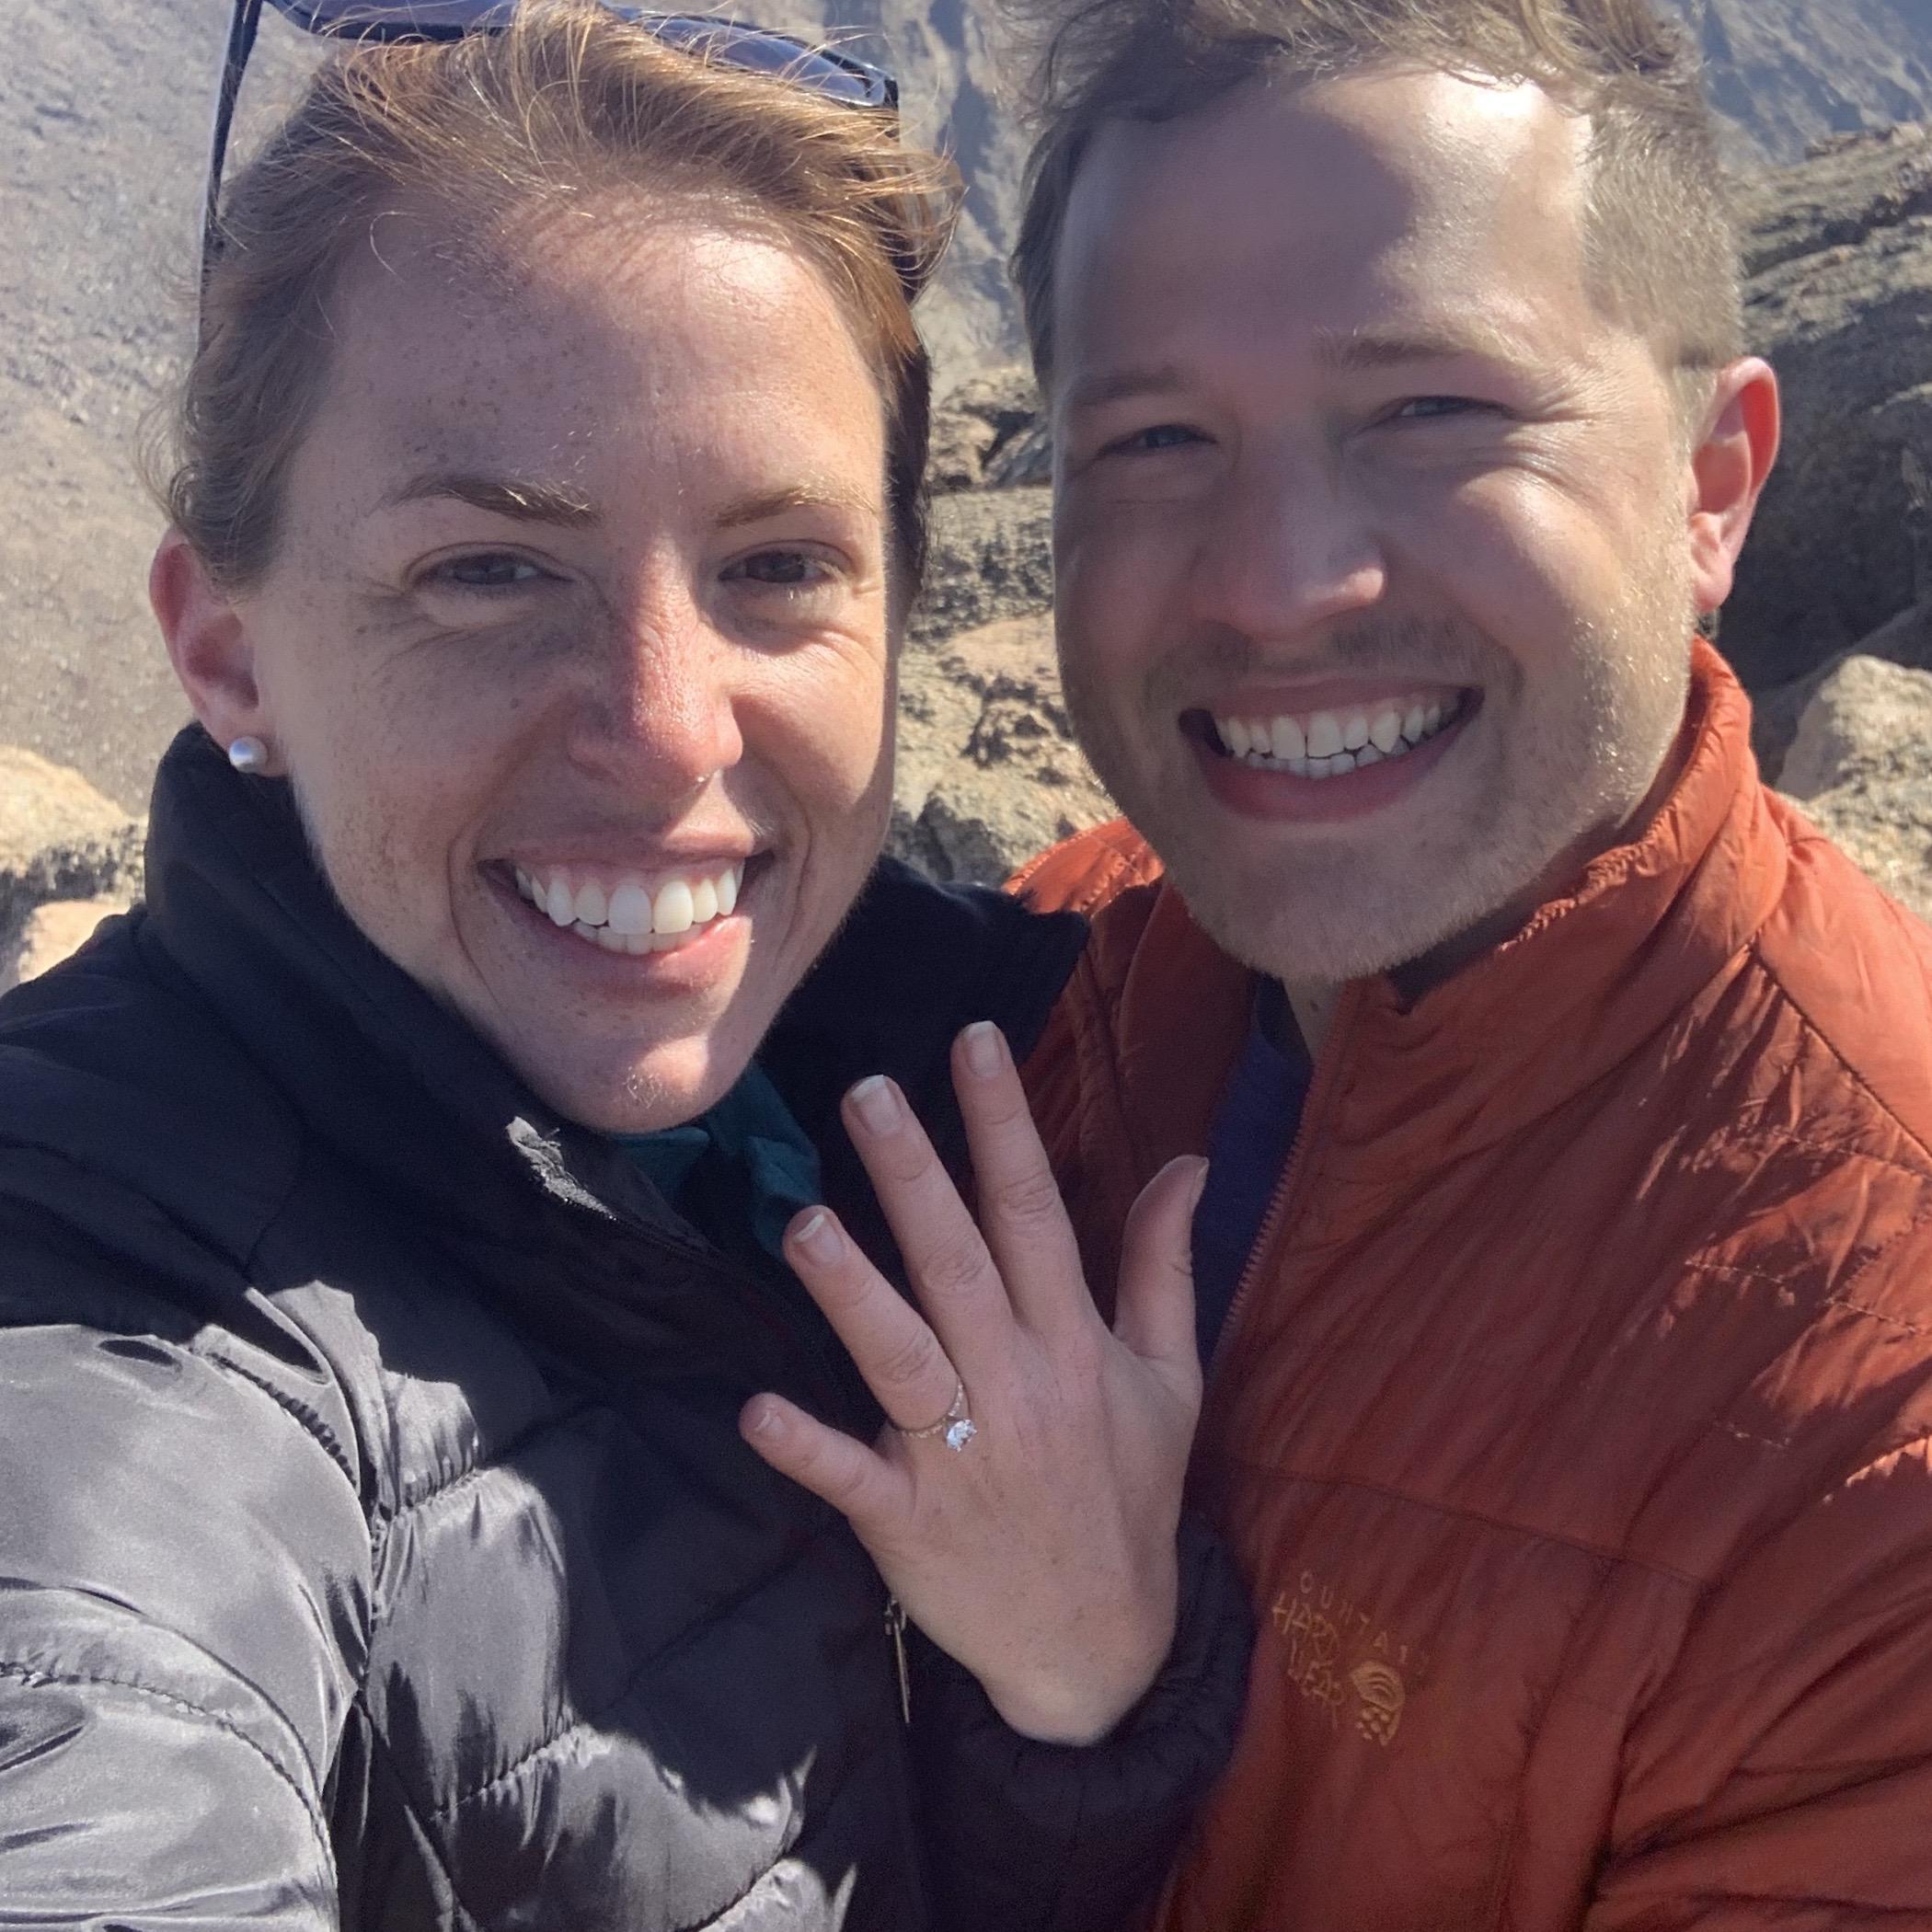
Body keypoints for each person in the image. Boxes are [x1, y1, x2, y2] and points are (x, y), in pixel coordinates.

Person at [0, 6, 1252, 1926]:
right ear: (228, 649)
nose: (669, 732)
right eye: (487, 571)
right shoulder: (120, 1304)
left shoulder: (917, 1069)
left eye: (776, 570)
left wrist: (1074, 1693)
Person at [1003, 0, 1932, 1925]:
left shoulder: (1879, 1403)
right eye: (1157, 437)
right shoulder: (1042, 988)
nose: (1277, 584)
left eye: (1433, 411)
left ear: (1711, 486)